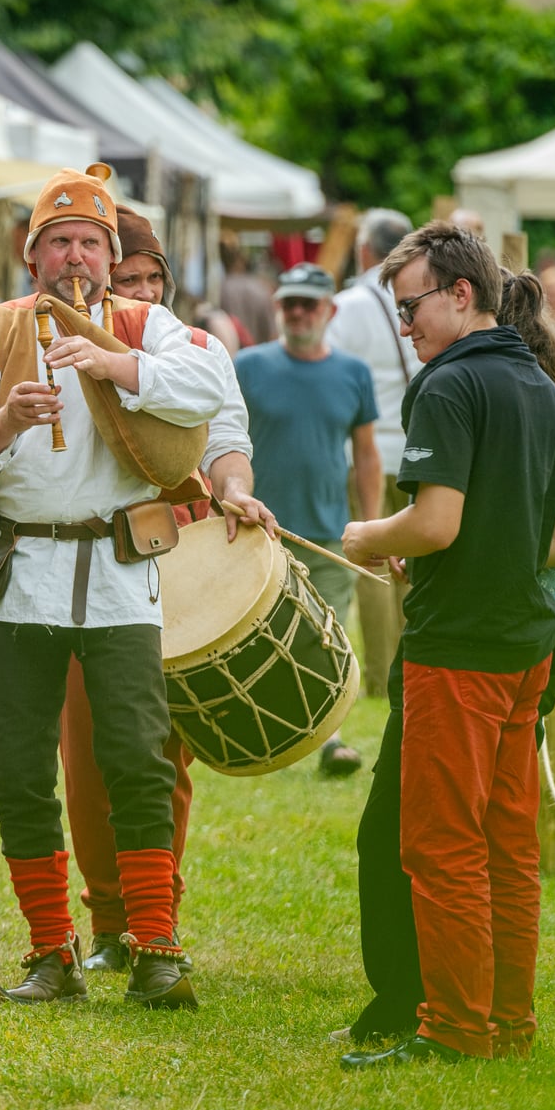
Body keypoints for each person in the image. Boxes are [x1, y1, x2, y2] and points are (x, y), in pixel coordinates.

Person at [0, 163, 227, 1010]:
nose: (75, 256)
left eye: (90, 242)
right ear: (33, 256)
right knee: (19, 772)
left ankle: (156, 946)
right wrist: (5, 421)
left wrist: (113, 363)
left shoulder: (145, 322)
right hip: (23, 574)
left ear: (109, 253)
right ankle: (49, 951)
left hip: (120, 576)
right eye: (58, 241)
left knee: (137, 757)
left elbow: (211, 385)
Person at [339, 225, 555, 1070]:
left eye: (412, 308)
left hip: (459, 649)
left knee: (442, 844)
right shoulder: (544, 386)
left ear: (461, 293)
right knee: (508, 845)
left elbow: (435, 521)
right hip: (526, 646)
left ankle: (456, 1028)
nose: (406, 327)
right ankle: (508, 1022)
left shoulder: (447, 383)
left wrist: (369, 535)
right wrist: (472, 549)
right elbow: (552, 533)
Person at [59, 205, 271, 975]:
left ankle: (156, 913)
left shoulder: (197, 348)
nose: (144, 292)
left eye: (154, 278)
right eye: (130, 279)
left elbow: (227, 441)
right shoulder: (62, 344)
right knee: (86, 751)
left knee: (158, 748)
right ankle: (108, 919)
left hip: (172, 559)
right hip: (79, 562)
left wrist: (235, 490)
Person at [235, 262, 380, 775]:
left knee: (325, 635)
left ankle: (330, 741)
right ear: (278, 309)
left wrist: (371, 525)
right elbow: (221, 440)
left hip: (327, 532)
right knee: (259, 639)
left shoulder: (354, 373)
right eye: (289, 303)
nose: (297, 313)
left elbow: (366, 455)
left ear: (329, 311)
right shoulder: (248, 366)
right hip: (258, 533)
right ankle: (261, 733)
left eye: (308, 304)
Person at [329, 209, 416, 697]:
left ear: (364, 250)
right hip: (415, 450)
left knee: (371, 559)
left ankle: (383, 677)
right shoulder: (423, 299)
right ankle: (413, 664)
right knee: (414, 558)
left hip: (363, 452)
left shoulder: (346, 306)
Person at [217, 232, 276, 349]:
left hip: (229, 354)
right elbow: (272, 333)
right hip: (258, 353)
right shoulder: (261, 287)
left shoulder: (220, 289)